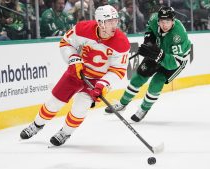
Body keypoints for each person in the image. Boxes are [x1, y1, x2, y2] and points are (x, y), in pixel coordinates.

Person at [20, 5, 130, 146]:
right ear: (100, 22)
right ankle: (36, 125)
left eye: (115, 21)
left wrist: (103, 85)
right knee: (54, 102)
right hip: (77, 71)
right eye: (110, 22)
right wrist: (73, 58)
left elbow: (118, 70)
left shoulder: (121, 42)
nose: (114, 25)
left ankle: (65, 132)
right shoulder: (82, 29)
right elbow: (66, 42)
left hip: (97, 79)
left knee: (80, 107)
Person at [105, 6, 192, 122]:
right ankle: (122, 104)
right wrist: (148, 41)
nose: (164, 25)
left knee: (157, 82)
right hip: (158, 50)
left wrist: (159, 55)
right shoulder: (154, 19)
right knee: (139, 76)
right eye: (162, 21)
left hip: (176, 60)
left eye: (168, 22)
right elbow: (150, 29)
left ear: (173, 21)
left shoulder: (179, 35)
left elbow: (173, 63)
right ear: (158, 20)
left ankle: (144, 109)